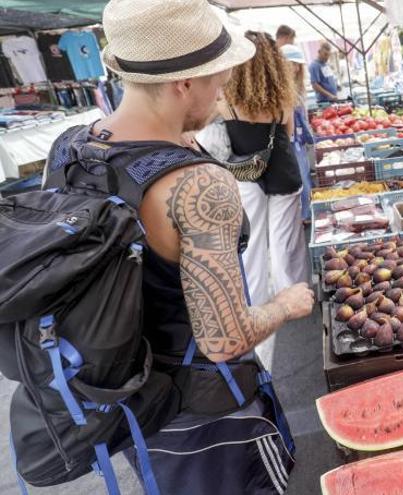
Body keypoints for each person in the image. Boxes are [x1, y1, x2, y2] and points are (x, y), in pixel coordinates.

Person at [57, 0, 313, 493]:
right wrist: (285, 303)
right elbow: (224, 341)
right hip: (205, 413)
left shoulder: (70, 147)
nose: (222, 94)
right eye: (218, 78)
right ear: (184, 82)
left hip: (121, 399)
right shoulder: (196, 184)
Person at [222, 31, 310, 312]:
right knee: (287, 242)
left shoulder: (225, 100)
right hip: (283, 172)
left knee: (252, 244)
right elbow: (289, 132)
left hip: (245, 176)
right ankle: (296, 299)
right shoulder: (282, 97)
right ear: (274, 61)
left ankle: (256, 305)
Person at [283, 44, 315, 222]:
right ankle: (304, 215)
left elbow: (303, 114)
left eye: (297, 64)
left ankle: (307, 213)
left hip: (299, 139)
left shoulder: (299, 87)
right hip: (290, 140)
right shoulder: (283, 89)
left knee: (304, 176)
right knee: (300, 177)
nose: (295, 68)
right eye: (291, 64)